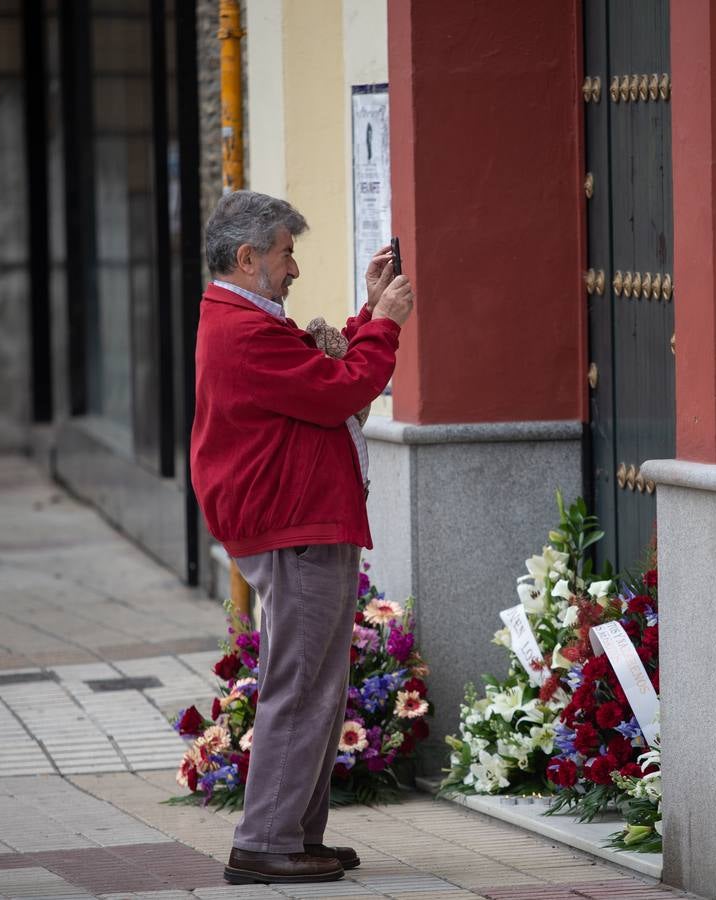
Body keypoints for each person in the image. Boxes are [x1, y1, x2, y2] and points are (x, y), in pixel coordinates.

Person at [190, 190, 414, 885]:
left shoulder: (246, 318)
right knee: (301, 685)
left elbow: (319, 379)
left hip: (300, 519)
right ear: (247, 256)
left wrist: (364, 312)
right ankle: (264, 841)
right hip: (293, 525)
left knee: (318, 684)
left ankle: (292, 834)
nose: (292, 268)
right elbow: (337, 392)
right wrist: (383, 325)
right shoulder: (242, 328)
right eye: (286, 252)